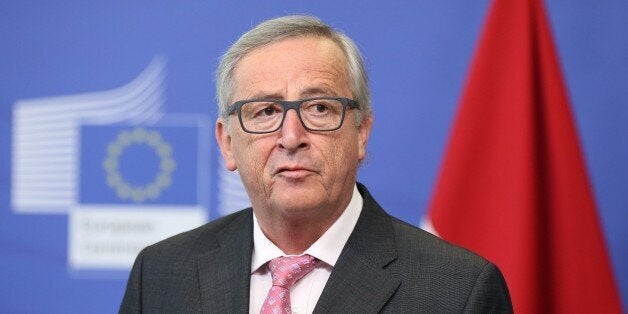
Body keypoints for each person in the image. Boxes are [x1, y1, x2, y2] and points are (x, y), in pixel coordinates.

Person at [120, 15, 512, 313]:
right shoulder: (159, 275)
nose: (291, 137)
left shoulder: (458, 291)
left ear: (361, 132)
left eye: (320, 108)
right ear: (227, 143)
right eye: (266, 111)